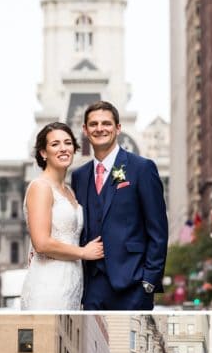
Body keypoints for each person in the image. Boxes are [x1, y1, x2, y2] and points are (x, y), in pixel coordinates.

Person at [71, 100, 168, 311]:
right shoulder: (79, 176)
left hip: (132, 285)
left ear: (118, 128)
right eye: (93, 124)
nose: (100, 129)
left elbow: (158, 230)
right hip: (91, 287)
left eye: (106, 123)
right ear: (85, 130)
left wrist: (149, 281)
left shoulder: (142, 168)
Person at [20, 122, 104, 310]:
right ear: (43, 153)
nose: (63, 148)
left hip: (72, 283)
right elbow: (41, 243)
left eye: (68, 143)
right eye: (55, 144)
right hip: (48, 283)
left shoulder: (70, 192)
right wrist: (84, 252)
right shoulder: (40, 187)